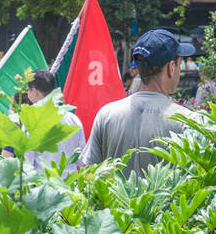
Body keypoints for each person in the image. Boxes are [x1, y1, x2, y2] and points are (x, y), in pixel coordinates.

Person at [82, 28, 195, 177]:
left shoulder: (106, 114)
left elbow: (89, 175)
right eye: (179, 64)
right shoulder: (187, 121)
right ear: (171, 68)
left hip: (114, 201)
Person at [2, 69, 86, 171]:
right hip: (69, 185)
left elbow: (26, 166)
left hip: (43, 185)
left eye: (28, 90)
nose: (27, 94)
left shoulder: (32, 123)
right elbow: (82, 161)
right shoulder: (73, 119)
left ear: (35, 91)